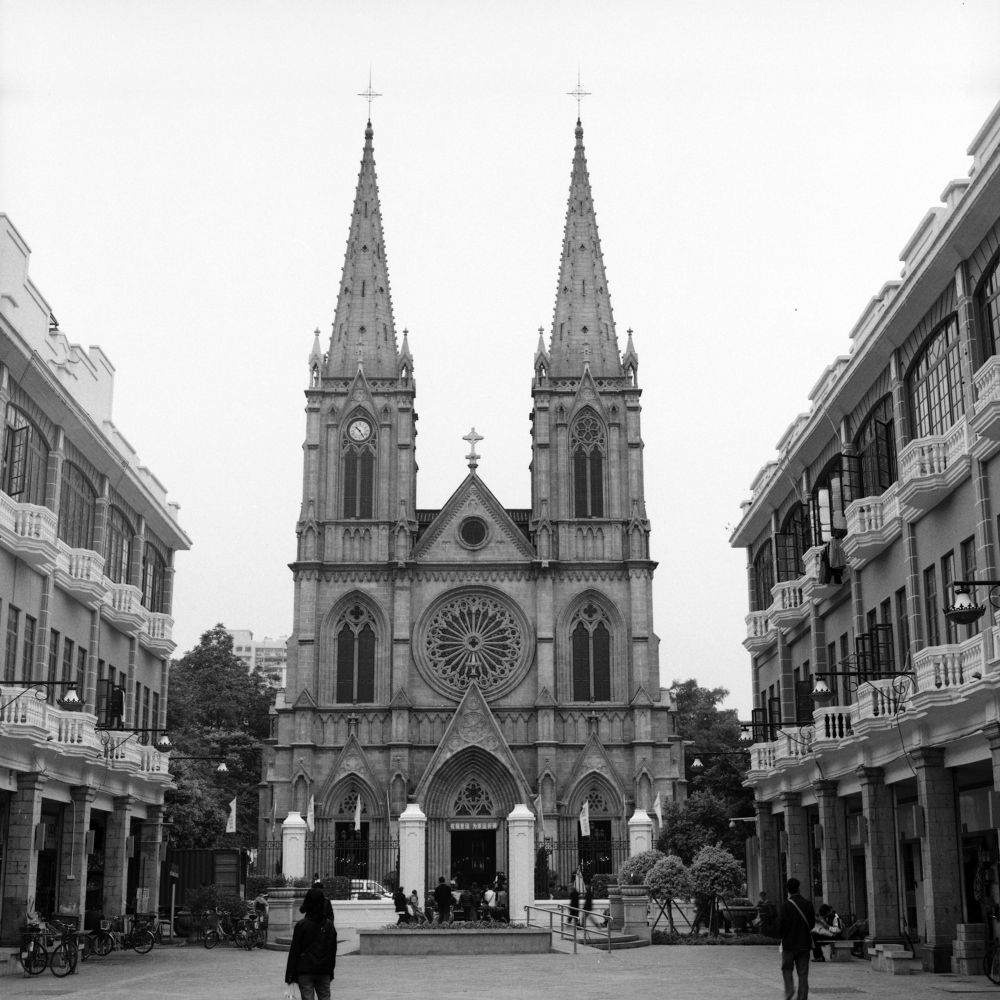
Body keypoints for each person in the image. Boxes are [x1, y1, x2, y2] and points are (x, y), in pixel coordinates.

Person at [285, 887, 337, 1000]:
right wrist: (330, 971)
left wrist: (289, 975)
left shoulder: (302, 925)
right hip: (324, 969)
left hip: (305, 969)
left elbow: (295, 951)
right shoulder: (329, 925)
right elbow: (332, 950)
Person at [778, 878, 816, 1000]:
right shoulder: (808, 904)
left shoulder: (785, 906)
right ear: (799, 888)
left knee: (787, 968)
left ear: (787, 890)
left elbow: (781, 926)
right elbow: (812, 924)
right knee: (803, 973)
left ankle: (789, 990)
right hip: (804, 944)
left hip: (788, 945)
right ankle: (802, 997)